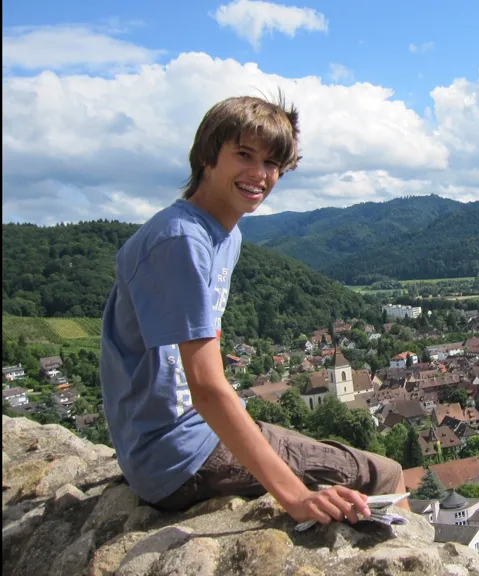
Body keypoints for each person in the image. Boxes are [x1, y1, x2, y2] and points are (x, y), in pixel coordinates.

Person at [99, 93, 407, 527]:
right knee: (384, 474)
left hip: (179, 442)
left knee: (317, 451)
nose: (260, 175)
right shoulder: (181, 240)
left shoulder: (223, 235)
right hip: (178, 455)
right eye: (244, 155)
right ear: (208, 156)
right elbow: (206, 386)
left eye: (272, 164)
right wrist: (297, 497)